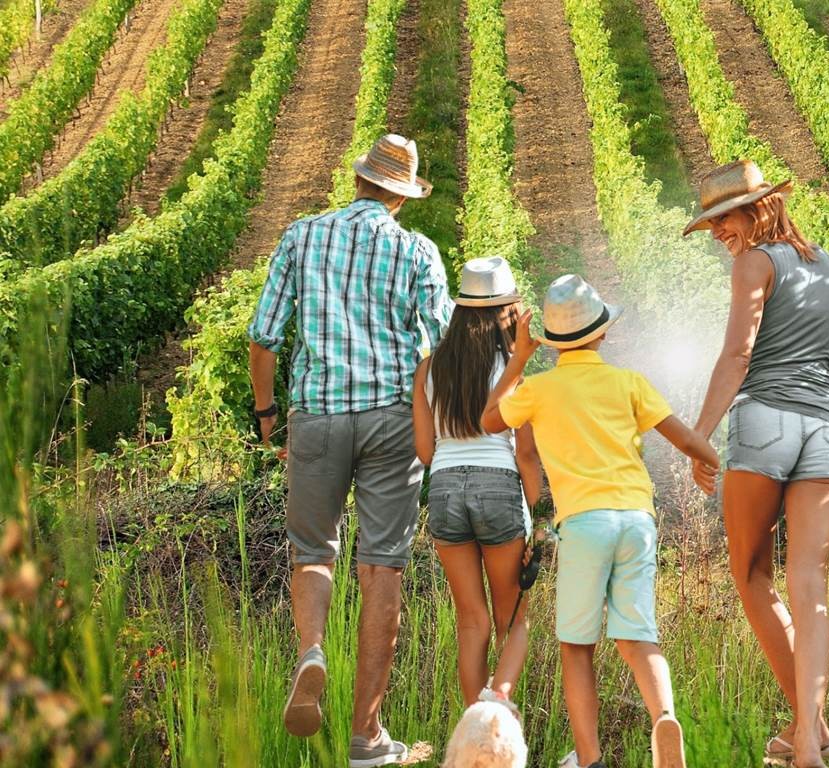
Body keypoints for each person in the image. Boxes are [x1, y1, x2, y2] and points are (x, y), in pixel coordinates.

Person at [247, 133, 453, 766]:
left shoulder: (301, 237)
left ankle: (311, 649)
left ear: (360, 180)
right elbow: (445, 343)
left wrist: (266, 412)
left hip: (316, 415)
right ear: (401, 196)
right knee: (382, 563)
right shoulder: (417, 251)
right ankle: (367, 736)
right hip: (392, 417)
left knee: (312, 550)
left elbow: (263, 339)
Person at [481, 274, 720, 768]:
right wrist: (704, 460)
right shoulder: (629, 382)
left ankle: (589, 760)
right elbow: (690, 439)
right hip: (636, 519)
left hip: (584, 524)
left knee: (577, 647)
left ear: (551, 341)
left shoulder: (540, 390)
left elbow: (487, 421)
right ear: (603, 333)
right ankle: (664, 718)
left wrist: (520, 358)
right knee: (638, 635)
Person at [683, 160, 829, 768]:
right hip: (825, 429)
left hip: (764, 421)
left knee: (752, 575)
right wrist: (811, 348)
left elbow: (738, 355)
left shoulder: (755, 262)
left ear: (757, 210)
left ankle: (810, 731)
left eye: (723, 220)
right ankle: (808, 742)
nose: (717, 233)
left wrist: (698, 437)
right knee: (810, 585)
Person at [411, 256, 543, 708]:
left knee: (472, 622)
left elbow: (425, 453)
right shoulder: (512, 367)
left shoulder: (429, 369)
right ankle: (499, 705)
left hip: (445, 487)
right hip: (499, 486)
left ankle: (473, 730)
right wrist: (536, 516)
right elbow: (525, 453)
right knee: (514, 618)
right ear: (506, 310)